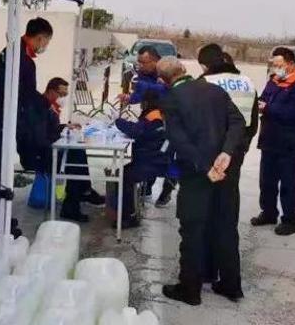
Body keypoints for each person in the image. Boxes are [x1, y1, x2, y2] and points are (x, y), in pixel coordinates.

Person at [157, 56, 246, 306]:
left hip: (197, 175)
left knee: (193, 230)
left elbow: (179, 141)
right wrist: (226, 152)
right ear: (184, 69)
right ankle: (231, 285)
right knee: (225, 226)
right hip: (225, 171)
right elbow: (238, 122)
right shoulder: (215, 90)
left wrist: (206, 167)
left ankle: (190, 289)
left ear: (163, 80)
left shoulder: (171, 99)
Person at [0, 18, 53, 238]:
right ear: (39, 38)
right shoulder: (21, 59)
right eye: (46, 41)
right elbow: (27, 97)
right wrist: (47, 101)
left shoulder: (13, 51)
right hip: (0, 120)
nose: (45, 46)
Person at [197, 44, 259, 284]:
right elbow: (252, 124)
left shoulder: (205, 82)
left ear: (205, 64)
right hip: (234, 156)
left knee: (205, 215)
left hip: (209, 158)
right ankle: (231, 281)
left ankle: (207, 271)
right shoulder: (247, 83)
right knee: (227, 216)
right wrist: (237, 151)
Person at [22, 78, 104, 222]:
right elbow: (41, 138)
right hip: (39, 155)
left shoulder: (47, 105)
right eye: (62, 94)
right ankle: (71, 206)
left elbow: (50, 129)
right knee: (75, 160)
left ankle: (84, 191)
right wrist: (60, 138)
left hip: (47, 148)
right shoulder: (39, 108)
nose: (63, 98)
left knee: (78, 151)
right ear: (51, 91)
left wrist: (65, 127)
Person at [252, 47, 295, 236]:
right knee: (266, 181)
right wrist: (259, 104)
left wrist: (268, 108)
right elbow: (264, 98)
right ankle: (268, 212)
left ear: (290, 64)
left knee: (289, 182)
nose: (276, 68)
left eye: (279, 65)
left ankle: (290, 220)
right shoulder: (274, 80)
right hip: (269, 138)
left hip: (288, 141)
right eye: (274, 65)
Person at [113, 90, 170, 229]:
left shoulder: (153, 117)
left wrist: (118, 120)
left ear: (146, 103)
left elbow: (135, 131)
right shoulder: (158, 114)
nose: (140, 105)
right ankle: (128, 209)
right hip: (154, 158)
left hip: (153, 162)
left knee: (123, 176)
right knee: (124, 172)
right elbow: (140, 129)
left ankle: (129, 217)